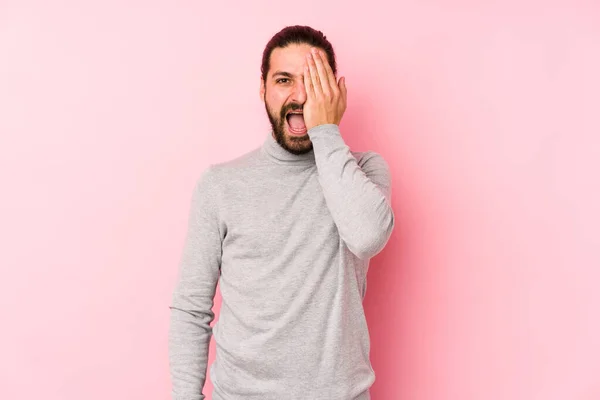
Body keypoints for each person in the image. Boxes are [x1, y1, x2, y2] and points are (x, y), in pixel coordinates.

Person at [168, 25, 395, 400]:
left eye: (314, 81)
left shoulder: (365, 172)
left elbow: (368, 236)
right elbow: (191, 308)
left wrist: (325, 131)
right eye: (284, 80)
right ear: (263, 90)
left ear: (335, 93)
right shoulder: (219, 185)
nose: (300, 95)